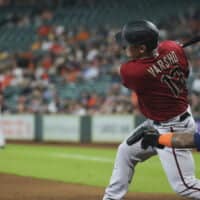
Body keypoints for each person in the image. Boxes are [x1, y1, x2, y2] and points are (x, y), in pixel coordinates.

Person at [103, 20, 200, 200]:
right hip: (162, 121)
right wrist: (169, 54)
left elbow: (131, 71)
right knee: (126, 152)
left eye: (128, 46)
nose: (124, 49)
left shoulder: (133, 72)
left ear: (141, 49)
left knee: (185, 186)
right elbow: (184, 72)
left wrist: (163, 57)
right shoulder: (172, 47)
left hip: (173, 128)